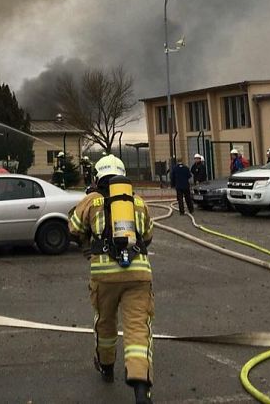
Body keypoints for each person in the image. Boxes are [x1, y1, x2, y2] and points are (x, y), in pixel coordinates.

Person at [68, 155, 155, 404]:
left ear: (97, 177)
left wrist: (89, 239)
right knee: (138, 328)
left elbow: (73, 227)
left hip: (104, 275)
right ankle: (141, 387)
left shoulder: (92, 201)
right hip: (139, 273)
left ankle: (106, 367)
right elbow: (148, 235)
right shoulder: (137, 202)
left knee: (105, 324)